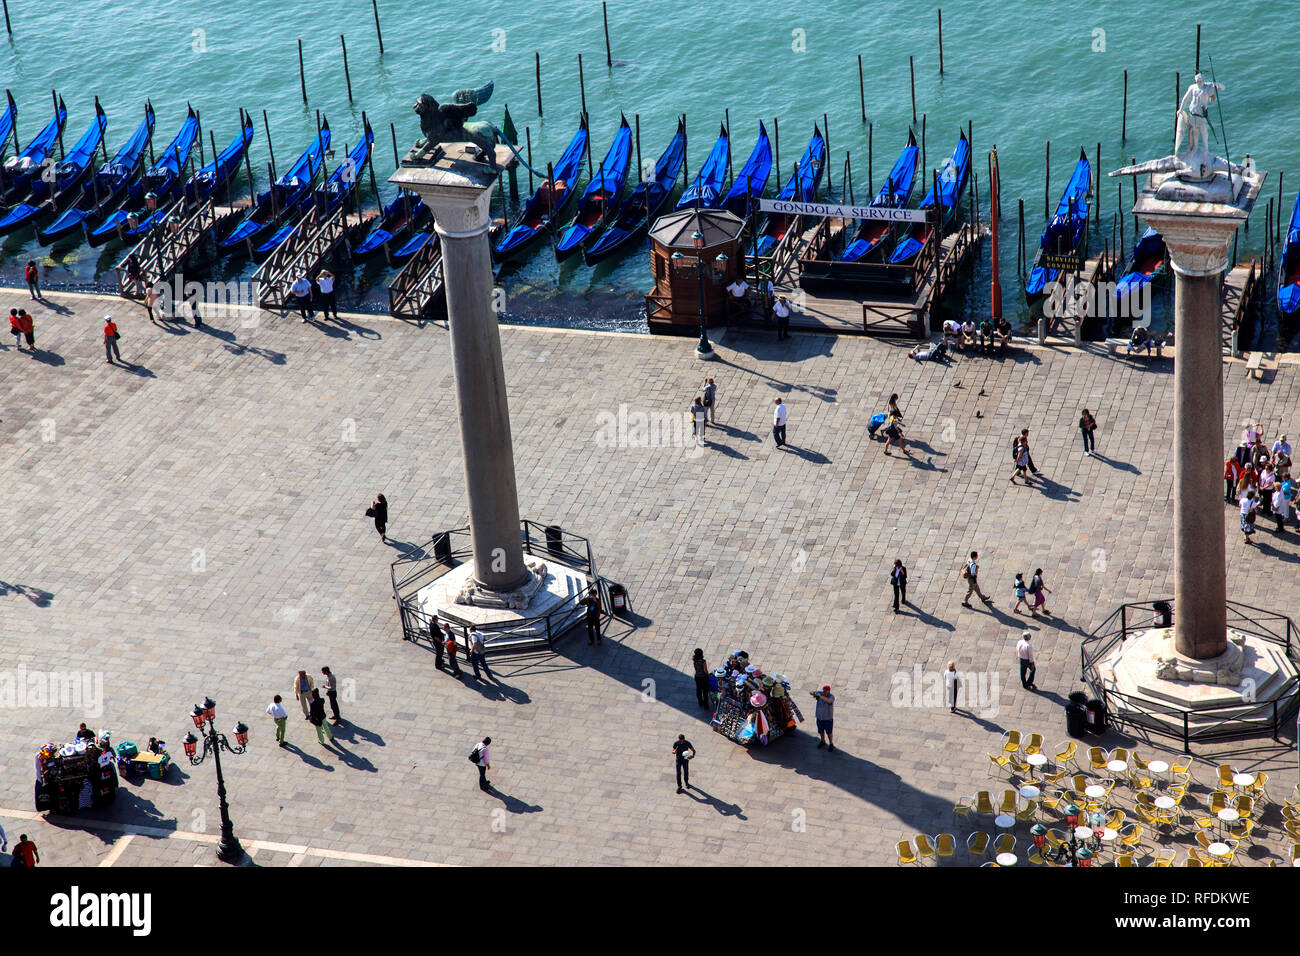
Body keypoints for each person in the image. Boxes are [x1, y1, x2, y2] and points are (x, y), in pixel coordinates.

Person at [812, 685, 835, 751]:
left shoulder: (831, 696)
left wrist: (820, 696)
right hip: (819, 718)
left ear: (829, 691)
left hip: (828, 719)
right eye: (823, 691)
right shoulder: (820, 693)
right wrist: (814, 693)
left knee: (829, 733)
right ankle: (822, 741)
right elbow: (811, 692)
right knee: (821, 731)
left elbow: (829, 701)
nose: (824, 692)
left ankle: (831, 744)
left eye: (826, 691)